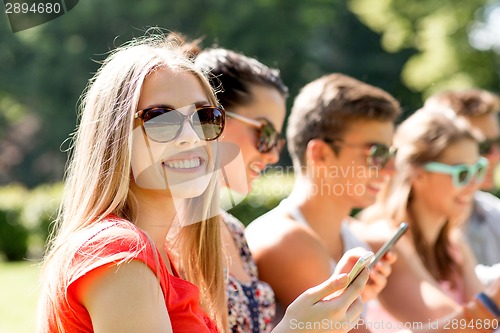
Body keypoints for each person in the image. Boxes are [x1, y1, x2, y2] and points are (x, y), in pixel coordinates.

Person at [36, 33, 370, 333]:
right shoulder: (119, 252)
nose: (190, 136)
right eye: (161, 118)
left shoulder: (164, 258)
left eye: (204, 117)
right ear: (115, 135)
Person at [246, 73, 400, 332]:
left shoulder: (350, 233)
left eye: (392, 154)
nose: (391, 169)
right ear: (320, 154)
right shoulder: (286, 240)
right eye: (378, 154)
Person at [357, 106, 500, 332]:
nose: (474, 184)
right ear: (418, 174)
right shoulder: (383, 241)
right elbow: (457, 324)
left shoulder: (454, 243)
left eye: (478, 170)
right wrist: (493, 302)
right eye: (462, 173)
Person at [194, 47, 286, 333]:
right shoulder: (155, 231)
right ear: (213, 117)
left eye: (276, 141)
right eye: (265, 134)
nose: (272, 156)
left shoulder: (233, 229)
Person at [424, 90, 500, 275]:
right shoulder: (393, 231)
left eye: (498, 142)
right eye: (482, 147)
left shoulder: (492, 212)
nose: (496, 156)